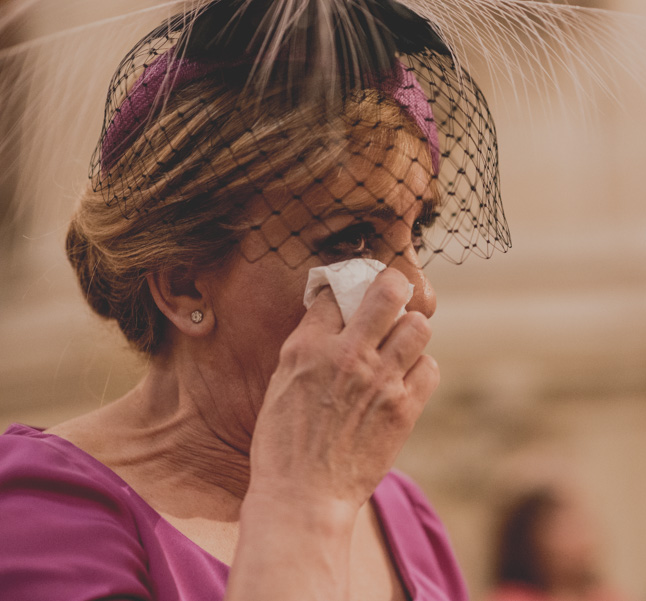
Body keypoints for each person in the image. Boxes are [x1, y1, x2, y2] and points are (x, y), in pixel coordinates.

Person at [0, 0, 510, 599]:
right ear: (184, 283)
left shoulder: (401, 513)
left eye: (416, 232)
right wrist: (307, 503)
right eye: (352, 239)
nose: (419, 296)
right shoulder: (46, 512)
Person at [486, 488, 629, 601]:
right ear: (531, 543)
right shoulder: (509, 597)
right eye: (565, 529)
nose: (582, 538)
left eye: (580, 525)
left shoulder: (608, 596)